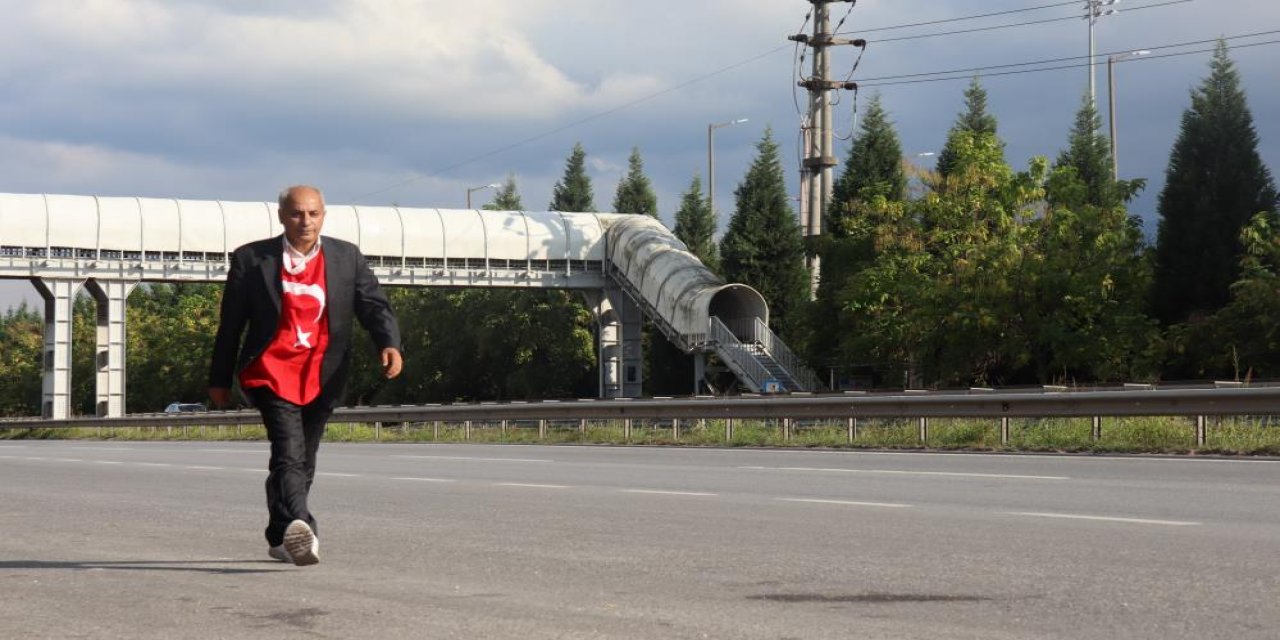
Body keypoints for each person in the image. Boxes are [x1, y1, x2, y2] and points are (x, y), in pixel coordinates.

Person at [208, 185, 403, 566]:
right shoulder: (251, 259)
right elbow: (230, 325)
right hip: (271, 370)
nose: (305, 221)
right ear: (282, 216)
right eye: (297, 214)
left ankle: (280, 536)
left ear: (323, 215)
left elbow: (374, 305)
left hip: (323, 373)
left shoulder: (346, 257)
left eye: (313, 214)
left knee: (303, 458)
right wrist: (219, 379)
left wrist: (389, 342)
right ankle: (302, 524)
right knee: (289, 452)